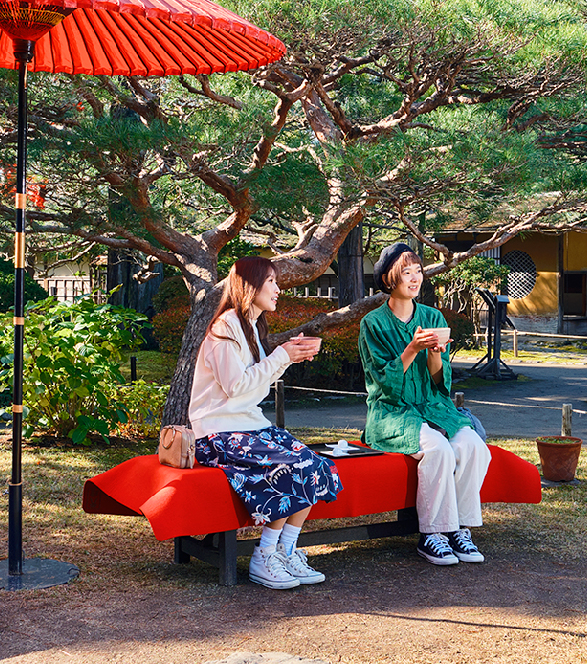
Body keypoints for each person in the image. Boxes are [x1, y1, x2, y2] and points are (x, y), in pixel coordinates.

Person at [190, 256, 343, 589]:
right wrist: (283, 355)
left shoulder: (252, 327)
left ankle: (285, 551)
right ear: (251, 286)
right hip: (217, 432)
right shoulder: (226, 325)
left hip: (247, 425)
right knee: (295, 465)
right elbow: (235, 387)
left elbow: (253, 390)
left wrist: (288, 356)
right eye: (271, 282)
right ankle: (264, 557)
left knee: (317, 466)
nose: (277, 289)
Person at [358, 243, 492, 566]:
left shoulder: (432, 316)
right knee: (438, 449)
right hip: (391, 413)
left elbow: (439, 384)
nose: (415, 277)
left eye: (418, 271)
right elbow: (382, 385)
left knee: (473, 445)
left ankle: (459, 527)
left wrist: (434, 354)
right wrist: (411, 349)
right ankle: (432, 534)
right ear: (390, 278)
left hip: (432, 406)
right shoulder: (372, 324)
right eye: (407, 272)